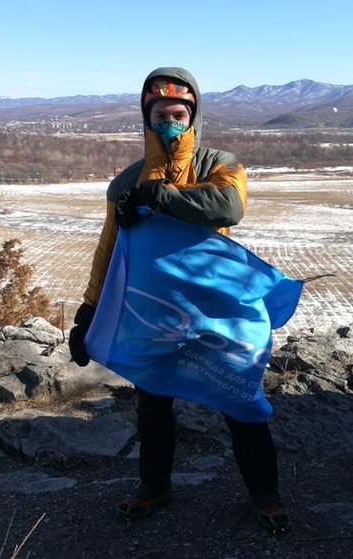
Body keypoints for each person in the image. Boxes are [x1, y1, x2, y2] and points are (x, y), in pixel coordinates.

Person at [68, 67, 289, 533]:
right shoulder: (125, 181)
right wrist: (88, 311)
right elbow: (109, 247)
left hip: (215, 308)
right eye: (159, 114)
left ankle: (264, 494)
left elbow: (229, 206)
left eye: (177, 113)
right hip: (155, 312)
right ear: (146, 118)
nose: (169, 121)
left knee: (240, 397)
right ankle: (155, 487)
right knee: (152, 402)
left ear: (193, 116)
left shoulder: (218, 163)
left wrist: (161, 196)